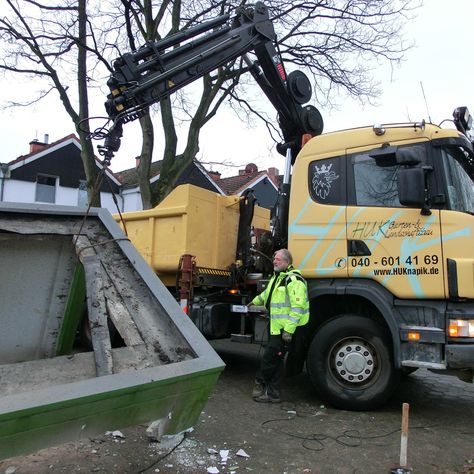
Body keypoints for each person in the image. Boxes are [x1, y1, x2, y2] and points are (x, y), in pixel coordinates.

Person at [249, 248, 309, 403]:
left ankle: (260, 384)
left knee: (270, 359)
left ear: (287, 262)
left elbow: (298, 307)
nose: (274, 261)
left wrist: (288, 331)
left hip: (284, 330)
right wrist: (255, 301)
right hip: (276, 327)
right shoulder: (278, 278)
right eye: (274, 258)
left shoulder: (293, 280)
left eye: (278, 259)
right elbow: (267, 295)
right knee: (276, 359)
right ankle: (273, 394)